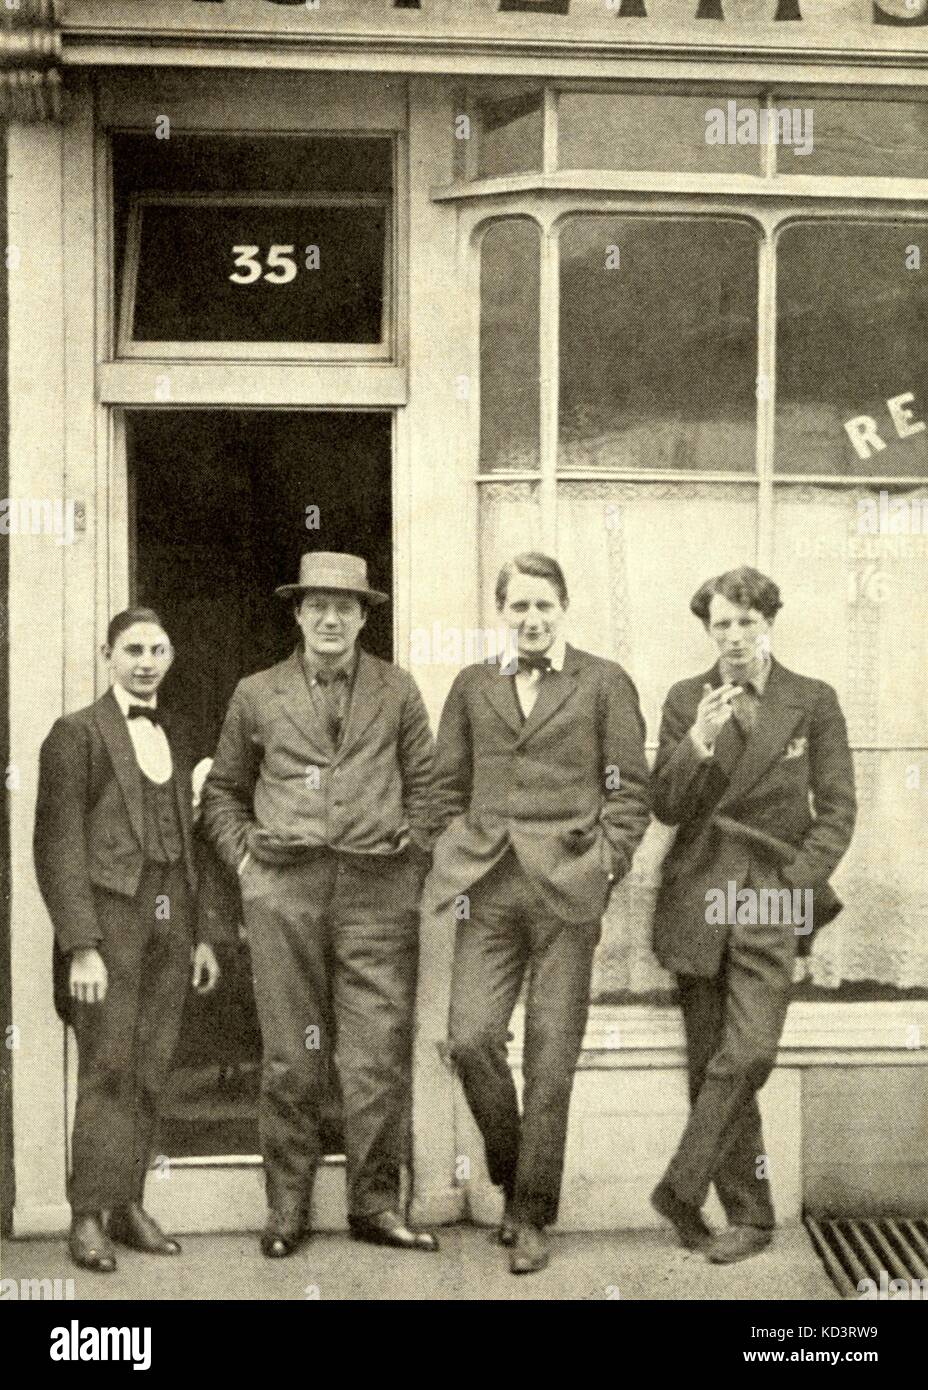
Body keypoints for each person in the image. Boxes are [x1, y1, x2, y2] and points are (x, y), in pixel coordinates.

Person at [201, 552, 438, 1257]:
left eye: (346, 607)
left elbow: (430, 789)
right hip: (286, 891)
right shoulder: (257, 692)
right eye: (318, 606)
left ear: (365, 616)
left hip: (377, 893)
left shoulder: (397, 691)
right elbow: (222, 791)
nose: (331, 618)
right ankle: (288, 1209)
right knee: (291, 1060)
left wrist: (411, 857)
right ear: (298, 614)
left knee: (374, 1059)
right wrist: (246, 861)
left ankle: (373, 1206)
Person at [427, 552, 651, 1274]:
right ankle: (517, 1165)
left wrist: (605, 862)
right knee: (469, 1039)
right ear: (502, 611)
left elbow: (629, 791)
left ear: (563, 609)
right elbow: (443, 787)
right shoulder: (471, 685)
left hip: (568, 894)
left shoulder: (604, 682)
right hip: (488, 889)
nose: (531, 620)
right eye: (518, 607)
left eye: (543, 607)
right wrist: (452, 849)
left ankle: (529, 1214)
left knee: (551, 1058)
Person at [649, 566, 856, 1264]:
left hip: (770, 892)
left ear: (770, 621)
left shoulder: (812, 700)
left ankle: (681, 1185)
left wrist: (796, 882)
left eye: (747, 622)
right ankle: (751, 1215)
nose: (734, 637)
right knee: (713, 1058)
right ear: (707, 629)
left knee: (751, 1053)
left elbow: (838, 808)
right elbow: (668, 808)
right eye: (721, 625)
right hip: (697, 893)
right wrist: (697, 743)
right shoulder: (687, 699)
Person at [34, 607, 220, 1274]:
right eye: (133, 649)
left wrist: (198, 936)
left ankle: (127, 1204)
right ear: (107, 653)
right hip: (110, 926)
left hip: (171, 920)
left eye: (158, 649)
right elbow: (56, 846)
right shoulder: (75, 734)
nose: (146, 661)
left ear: (169, 657)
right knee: (108, 1067)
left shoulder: (175, 728)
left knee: (152, 1065)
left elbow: (189, 843)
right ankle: (86, 1215)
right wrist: (81, 944)